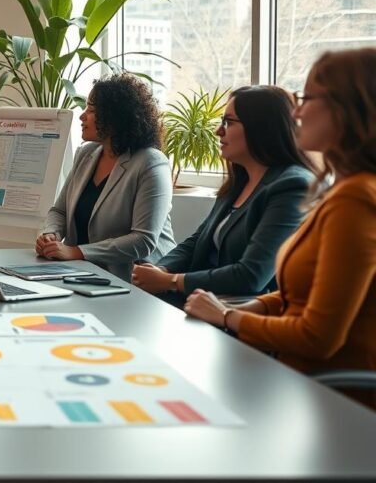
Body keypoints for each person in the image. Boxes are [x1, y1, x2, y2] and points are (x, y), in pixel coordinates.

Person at [185, 48, 376, 408]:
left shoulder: (355, 200)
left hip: (334, 403)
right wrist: (253, 307)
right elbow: (297, 295)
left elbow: (319, 336)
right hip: (297, 381)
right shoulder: (342, 190)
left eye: (307, 99)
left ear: (350, 108)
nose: (298, 112)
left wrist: (229, 316)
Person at [132, 86, 315, 306]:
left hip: (245, 315)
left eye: (228, 122)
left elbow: (252, 276)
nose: (219, 131)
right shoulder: (240, 180)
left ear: (261, 128)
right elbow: (197, 241)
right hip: (202, 303)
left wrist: (171, 281)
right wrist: (160, 269)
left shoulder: (292, 186)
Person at [36, 72, 176, 280]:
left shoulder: (151, 163)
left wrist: (77, 252)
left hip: (138, 282)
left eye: (91, 110)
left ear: (115, 118)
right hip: (82, 275)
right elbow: (60, 211)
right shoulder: (86, 153)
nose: (82, 116)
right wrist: (51, 234)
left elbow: (143, 240)